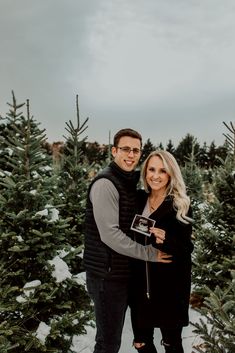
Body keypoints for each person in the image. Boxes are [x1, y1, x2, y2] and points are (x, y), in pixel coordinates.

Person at [83, 129, 171, 353]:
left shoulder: (127, 183)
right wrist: (149, 253)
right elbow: (110, 234)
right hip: (106, 276)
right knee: (108, 343)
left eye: (136, 150)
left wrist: (154, 231)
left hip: (121, 273)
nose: (131, 154)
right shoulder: (106, 184)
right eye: (125, 149)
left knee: (112, 340)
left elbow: (130, 221)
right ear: (114, 151)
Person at [129, 150, 194, 353]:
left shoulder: (179, 205)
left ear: (170, 174)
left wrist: (166, 240)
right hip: (140, 284)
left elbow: (186, 249)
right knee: (141, 342)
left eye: (162, 171)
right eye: (152, 169)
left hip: (169, 288)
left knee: (171, 343)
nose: (155, 176)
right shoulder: (138, 199)